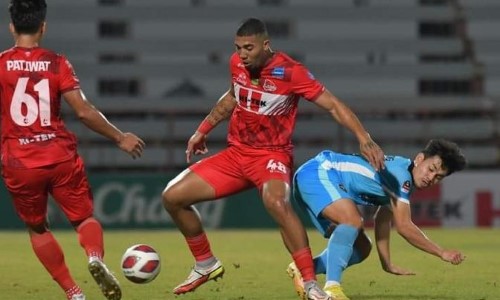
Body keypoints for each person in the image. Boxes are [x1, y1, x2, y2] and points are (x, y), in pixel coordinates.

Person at [161, 17, 385, 300]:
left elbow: (334, 105)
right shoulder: (236, 64)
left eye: (248, 48)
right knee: (172, 197)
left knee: (276, 203)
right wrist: (202, 130)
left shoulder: (291, 72)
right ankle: (206, 263)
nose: (242, 54)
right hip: (235, 155)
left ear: (265, 45)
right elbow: (233, 96)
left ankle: (309, 283)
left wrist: (363, 137)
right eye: (238, 47)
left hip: (271, 156)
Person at [0, 1, 145, 299]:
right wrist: (119, 137)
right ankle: (95, 256)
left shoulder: (0, 64)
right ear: (44, 26)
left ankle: (74, 292)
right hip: (59, 156)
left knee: (38, 229)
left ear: (12, 26)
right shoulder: (57, 62)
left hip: (19, 162)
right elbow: (83, 111)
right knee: (84, 219)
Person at [286, 139, 467, 300]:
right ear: (419, 159)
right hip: (320, 172)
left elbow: (382, 219)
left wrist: (386, 263)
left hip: (318, 177)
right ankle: (332, 289)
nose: (430, 177)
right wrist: (441, 252)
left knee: (362, 247)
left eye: (438, 177)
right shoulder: (401, 178)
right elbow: (404, 226)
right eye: (431, 169)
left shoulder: (403, 177)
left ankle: (303, 269)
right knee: (352, 221)